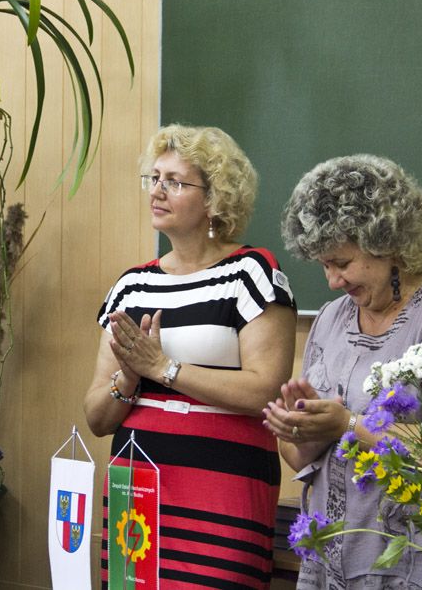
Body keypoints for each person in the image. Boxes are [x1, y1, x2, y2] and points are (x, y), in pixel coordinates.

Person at [264, 154, 422, 589]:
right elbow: (299, 459)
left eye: (342, 262)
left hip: (417, 565)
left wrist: (349, 423)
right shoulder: (331, 318)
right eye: (323, 265)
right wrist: (300, 430)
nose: (332, 280)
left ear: (387, 243)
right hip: (334, 561)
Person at [84, 125, 298, 589]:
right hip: (138, 483)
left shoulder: (250, 273)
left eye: (175, 181)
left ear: (214, 199)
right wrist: (128, 377)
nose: (157, 191)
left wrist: (163, 368)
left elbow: (266, 389)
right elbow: (97, 418)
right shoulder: (132, 286)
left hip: (223, 487)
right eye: (153, 178)